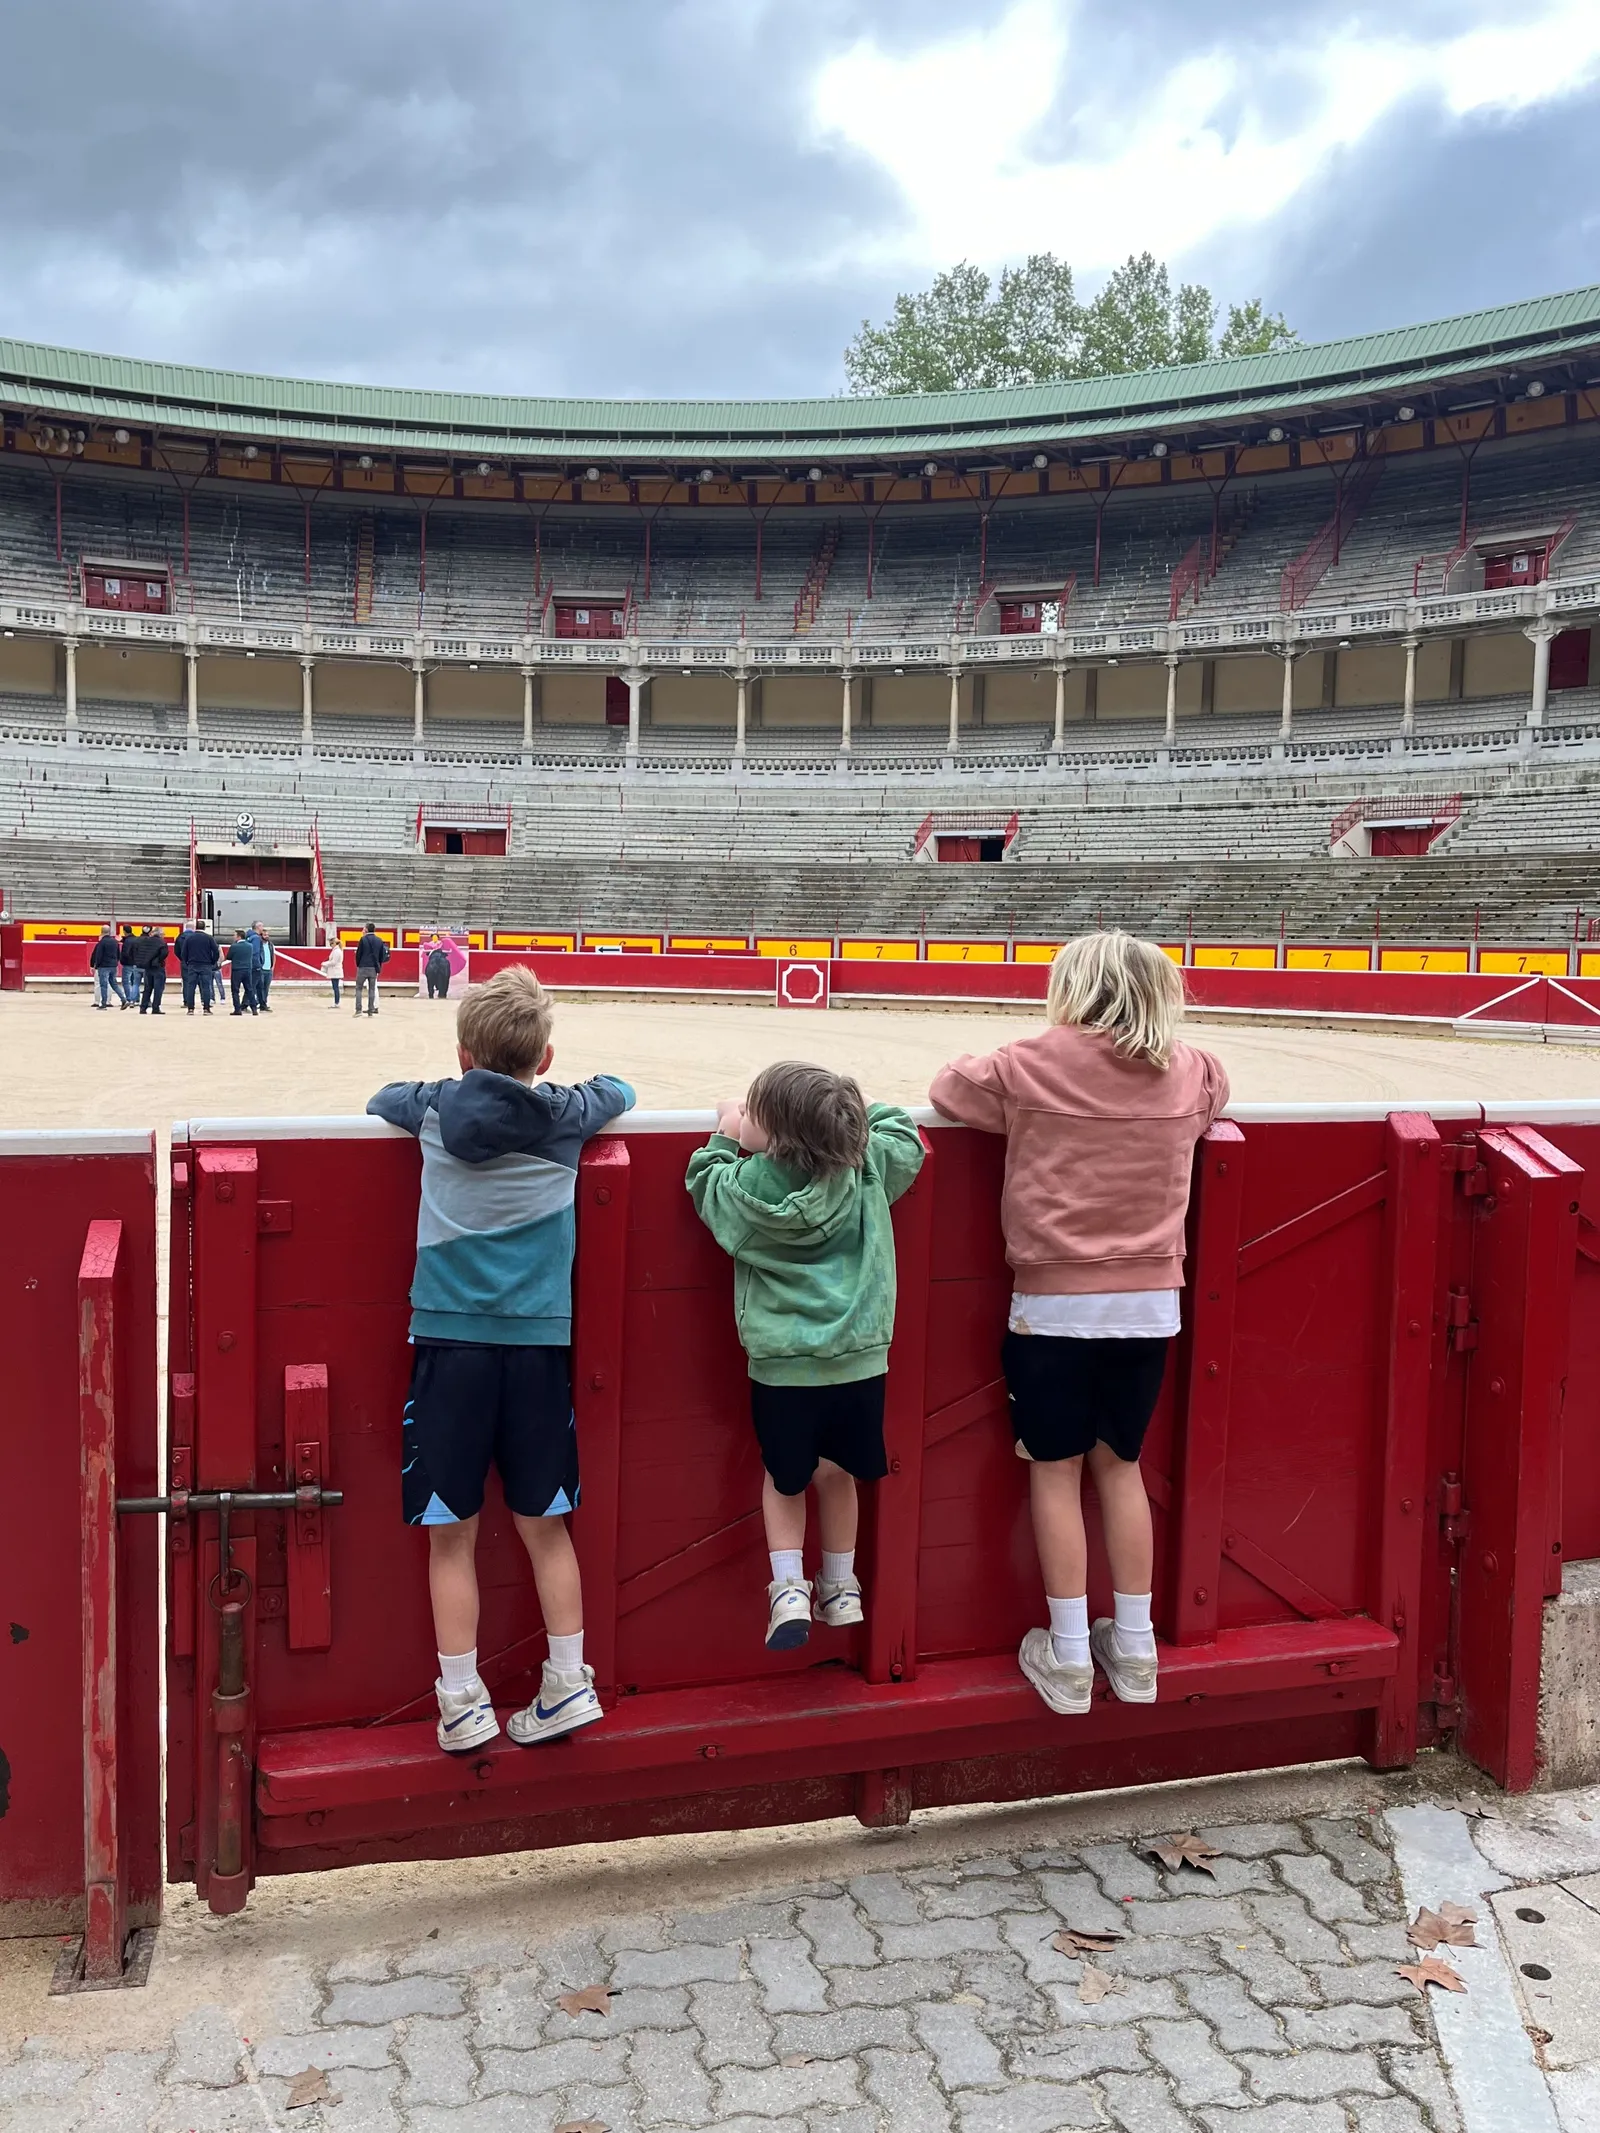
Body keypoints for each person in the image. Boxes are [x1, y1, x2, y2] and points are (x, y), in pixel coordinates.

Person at [928, 931, 1229, 1717]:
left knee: (1054, 1470)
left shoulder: (1030, 1063)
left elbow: (949, 1087)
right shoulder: (1188, 1067)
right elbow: (1217, 1089)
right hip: (1149, 1305)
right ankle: (1134, 1646)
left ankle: (1066, 1653)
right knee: (1120, 1466)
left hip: (1055, 1304)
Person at [366, 967, 635, 1755]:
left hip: (450, 1348)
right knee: (547, 1527)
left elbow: (382, 1097)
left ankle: (460, 1699)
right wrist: (569, 1093)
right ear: (544, 1057)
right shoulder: (567, 1115)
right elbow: (617, 1089)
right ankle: (569, 1680)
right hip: (536, 1348)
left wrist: (438, 1088)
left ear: (461, 1053)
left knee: (450, 1535)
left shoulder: (433, 1111)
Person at [685, 1062, 924, 1652]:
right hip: (860, 1362)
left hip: (783, 1367)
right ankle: (840, 1586)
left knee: (785, 1478)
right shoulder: (868, 1168)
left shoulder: (750, 1186)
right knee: (839, 1472)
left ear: (775, 1136)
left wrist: (723, 1130)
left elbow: (706, 1184)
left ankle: (789, 1588)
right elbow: (905, 1133)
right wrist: (847, 1120)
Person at [179, 920, 220, 1015]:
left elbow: (183, 952)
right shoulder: (209, 938)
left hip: (192, 964)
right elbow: (216, 951)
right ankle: (206, 1008)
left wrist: (187, 962)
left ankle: (190, 1009)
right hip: (206, 965)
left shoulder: (189, 938)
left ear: (195, 927)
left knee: (191, 987)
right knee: (206, 987)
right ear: (204, 928)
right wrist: (213, 961)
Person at [354, 922, 389, 1016]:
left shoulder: (363, 939)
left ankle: (358, 1010)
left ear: (366, 929)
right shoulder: (379, 940)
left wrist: (359, 964)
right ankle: (370, 1010)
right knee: (372, 989)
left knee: (359, 989)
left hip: (363, 967)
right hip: (373, 968)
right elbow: (382, 956)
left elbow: (358, 954)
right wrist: (378, 965)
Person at [226, 928, 259, 1016]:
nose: (233, 937)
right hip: (247, 969)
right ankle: (254, 1009)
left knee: (235, 990)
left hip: (237, 970)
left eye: (235, 935)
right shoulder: (250, 946)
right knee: (249, 989)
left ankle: (237, 1009)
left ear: (239, 937)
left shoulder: (234, 946)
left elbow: (229, 957)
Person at [138, 926, 169, 1015]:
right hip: (158, 967)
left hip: (148, 967)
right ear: (160, 934)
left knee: (147, 988)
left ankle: (143, 1007)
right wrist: (158, 960)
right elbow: (164, 954)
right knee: (158, 989)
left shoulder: (146, 941)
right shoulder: (162, 942)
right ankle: (155, 1007)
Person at [89, 924, 120, 1009]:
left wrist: (93, 966)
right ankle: (108, 1001)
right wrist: (115, 963)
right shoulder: (114, 942)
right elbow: (118, 955)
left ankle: (97, 1001)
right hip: (112, 966)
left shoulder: (101, 943)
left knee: (99, 983)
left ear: (101, 932)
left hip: (102, 966)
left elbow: (96, 955)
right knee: (110, 983)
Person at [252, 925, 276, 1012]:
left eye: (267, 935)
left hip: (268, 969)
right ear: (261, 936)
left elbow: (273, 955)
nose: (267, 936)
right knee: (260, 988)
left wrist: (272, 967)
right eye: (265, 935)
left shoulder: (270, 945)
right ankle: (259, 1003)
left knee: (266, 988)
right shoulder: (258, 945)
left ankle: (263, 1004)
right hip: (261, 969)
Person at [117, 926, 141, 1009]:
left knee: (126, 981)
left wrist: (122, 960)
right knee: (135, 982)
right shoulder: (136, 939)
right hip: (136, 963)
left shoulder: (127, 941)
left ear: (124, 932)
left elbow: (126, 953)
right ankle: (136, 999)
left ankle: (129, 999)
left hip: (128, 964)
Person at [320, 934, 345, 1008]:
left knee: (335, 987)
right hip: (335, 971)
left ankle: (337, 1003)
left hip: (335, 971)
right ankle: (336, 1002)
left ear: (334, 943)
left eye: (331, 944)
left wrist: (325, 964)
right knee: (335, 987)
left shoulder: (337, 951)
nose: (330, 946)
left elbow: (333, 962)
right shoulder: (337, 950)